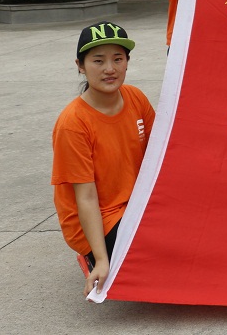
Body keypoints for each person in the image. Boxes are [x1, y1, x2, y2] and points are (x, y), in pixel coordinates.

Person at [52, 22, 155, 297]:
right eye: (98, 61)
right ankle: (92, 255)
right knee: (156, 256)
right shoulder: (73, 123)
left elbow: (159, 156)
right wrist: (100, 259)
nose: (110, 69)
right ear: (80, 66)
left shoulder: (135, 97)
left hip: (136, 204)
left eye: (117, 59)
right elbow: (86, 198)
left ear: (127, 62)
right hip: (100, 216)